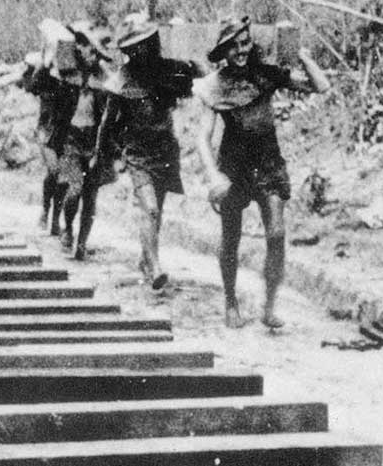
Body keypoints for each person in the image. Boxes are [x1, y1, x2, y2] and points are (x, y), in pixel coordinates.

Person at [195, 17, 330, 329]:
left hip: (268, 161)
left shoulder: (266, 74)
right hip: (234, 166)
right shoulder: (215, 86)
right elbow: (203, 137)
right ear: (224, 51)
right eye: (233, 46)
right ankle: (231, 302)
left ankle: (268, 306)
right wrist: (213, 174)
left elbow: (321, 86)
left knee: (277, 233)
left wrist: (302, 56)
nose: (241, 51)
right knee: (231, 237)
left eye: (245, 43)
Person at [98, 17, 199, 289]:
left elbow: (196, 79)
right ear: (129, 52)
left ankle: (146, 258)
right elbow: (107, 124)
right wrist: (102, 154)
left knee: (157, 210)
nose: (142, 51)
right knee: (150, 209)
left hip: (165, 149)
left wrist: (192, 61)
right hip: (138, 153)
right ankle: (154, 267)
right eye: (136, 47)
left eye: (146, 45)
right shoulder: (121, 82)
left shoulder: (167, 72)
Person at [58, 21, 117, 259]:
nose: (89, 54)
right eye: (85, 49)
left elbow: (117, 95)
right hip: (72, 139)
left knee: (90, 196)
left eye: (94, 51)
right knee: (75, 189)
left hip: (95, 142)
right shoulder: (71, 74)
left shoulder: (104, 79)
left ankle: (82, 243)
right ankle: (68, 227)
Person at [24, 21, 78, 235]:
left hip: (65, 131)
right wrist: (45, 63)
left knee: (63, 177)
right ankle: (46, 212)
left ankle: (55, 218)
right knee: (54, 171)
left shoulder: (72, 76)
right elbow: (32, 86)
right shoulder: (46, 74)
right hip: (46, 130)